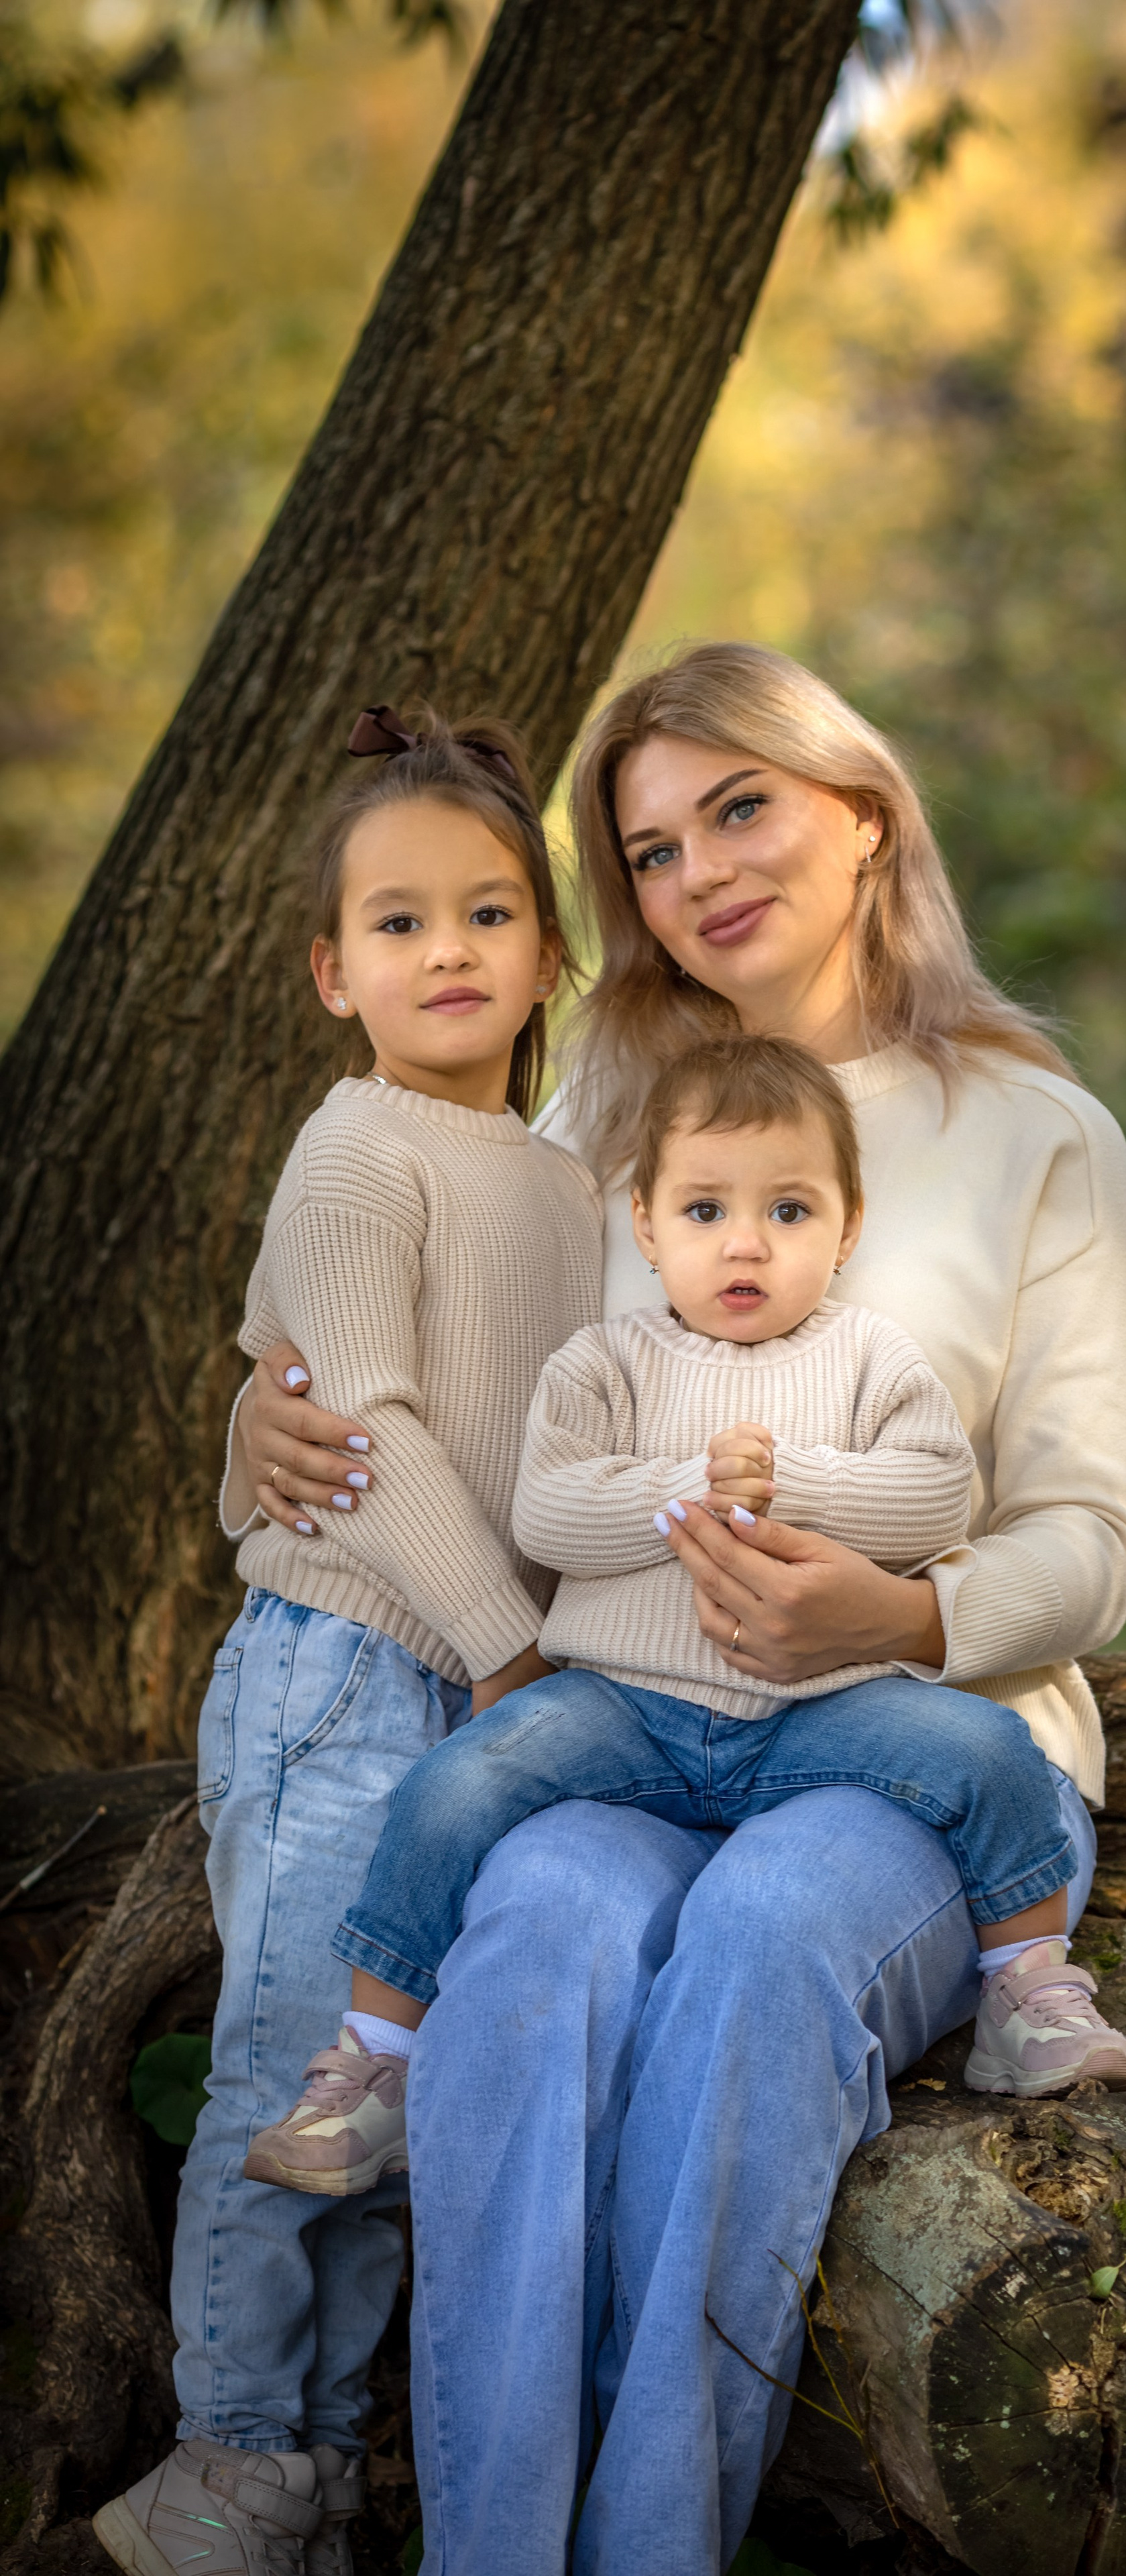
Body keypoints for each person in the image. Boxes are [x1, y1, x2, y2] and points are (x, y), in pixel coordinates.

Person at [234, 643, 1126, 2575]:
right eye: (650, 852)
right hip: (634, 1719)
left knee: (754, 1944)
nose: (701, 873)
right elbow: (446, 1377)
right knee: (535, 1939)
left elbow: (1091, 1535)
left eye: (740, 808)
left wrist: (897, 1619)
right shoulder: (596, 1109)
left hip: (920, 1751)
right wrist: (269, 1406)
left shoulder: (1035, 1132)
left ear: (864, 813)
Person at [243, 1034, 1126, 2198]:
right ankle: (376, 2065)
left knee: (989, 1750)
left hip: (817, 1715)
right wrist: (686, 1493)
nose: (746, 1243)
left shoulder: (872, 1359)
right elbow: (551, 1513)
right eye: (706, 1210)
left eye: (790, 1210)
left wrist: (794, 1484)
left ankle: (1030, 1994)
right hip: (623, 1708)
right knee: (454, 1785)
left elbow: (935, 1496)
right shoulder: (603, 1365)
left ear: (849, 1229)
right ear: (648, 1227)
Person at [95, 709, 603, 2576]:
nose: (447, 950)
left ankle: (314, 2474)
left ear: (550, 953)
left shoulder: (566, 1179)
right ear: (332, 973)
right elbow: (356, 1422)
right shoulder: (355, 1149)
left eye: (488, 912)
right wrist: (505, 1652)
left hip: (489, 1687)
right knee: (296, 2063)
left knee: (394, 2097)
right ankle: (232, 2448)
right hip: (352, 1671)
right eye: (399, 923)